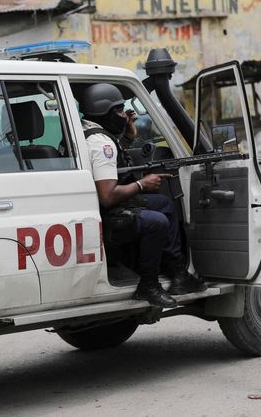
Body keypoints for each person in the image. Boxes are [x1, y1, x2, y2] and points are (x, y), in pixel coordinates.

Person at [80, 83, 205, 308]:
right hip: (106, 213)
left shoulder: (87, 131)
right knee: (155, 221)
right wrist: (142, 184)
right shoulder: (101, 143)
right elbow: (108, 196)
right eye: (119, 111)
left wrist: (128, 137)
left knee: (164, 205)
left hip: (97, 207)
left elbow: (111, 165)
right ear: (104, 113)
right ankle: (148, 285)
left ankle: (178, 274)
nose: (124, 115)